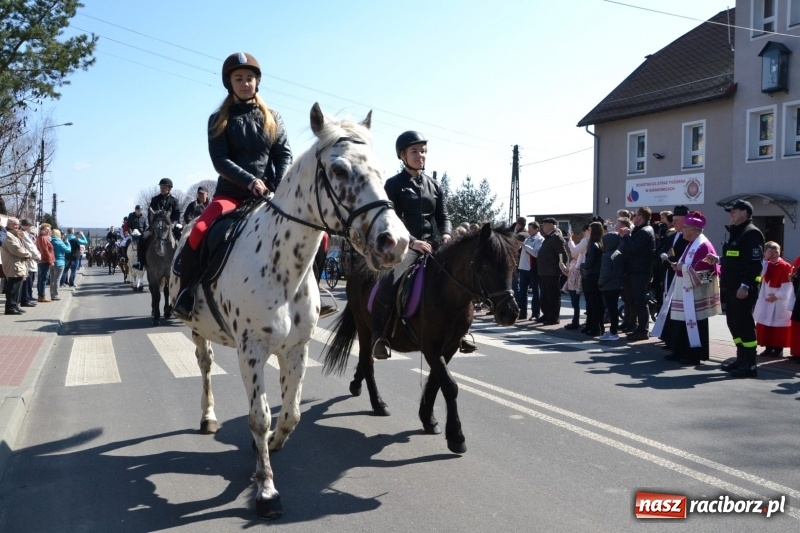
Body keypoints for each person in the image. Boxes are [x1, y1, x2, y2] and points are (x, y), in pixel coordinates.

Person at [174, 52, 293, 320]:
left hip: (270, 195)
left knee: (318, 235)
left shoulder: (273, 117)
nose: (245, 83)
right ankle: (187, 293)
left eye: (250, 78)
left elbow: (283, 154)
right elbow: (220, 160)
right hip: (231, 195)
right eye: (239, 78)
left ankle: (314, 293)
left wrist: (277, 183)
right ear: (230, 83)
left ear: (257, 82)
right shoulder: (218, 119)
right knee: (199, 231)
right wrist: (250, 181)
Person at [371, 130, 453, 359]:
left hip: (433, 246)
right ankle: (379, 335)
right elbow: (390, 219)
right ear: (402, 156)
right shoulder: (393, 185)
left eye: (423, 151)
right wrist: (413, 241)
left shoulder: (435, 185)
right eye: (415, 151)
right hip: (403, 246)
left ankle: (458, 331)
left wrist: (446, 235)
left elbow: (443, 217)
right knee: (389, 282)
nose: (421, 156)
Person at [705, 200, 764, 378]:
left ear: (744, 213)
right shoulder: (737, 233)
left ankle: (750, 364)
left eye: (734, 211)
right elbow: (735, 257)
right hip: (731, 287)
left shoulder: (751, 233)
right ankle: (741, 359)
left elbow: (754, 264)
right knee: (733, 323)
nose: (731, 214)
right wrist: (718, 259)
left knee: (745, 324)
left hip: (742, 288)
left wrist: (745, 285)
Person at [653, 212, 721, 365]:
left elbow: (706, 271)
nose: (682, 230)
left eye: (685, 227)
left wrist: (681, 267)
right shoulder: (692, 243)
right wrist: (680, 266)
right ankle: (679, 350)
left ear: (694, 229)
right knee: (680, 321)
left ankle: (694, 354)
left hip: (695, 292)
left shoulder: (703, 245)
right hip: (684, 288)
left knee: (693, 322)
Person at [655, 205, 689, 353]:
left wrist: (671, 256)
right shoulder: (672, 235)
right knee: (667, 306)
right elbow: (661, 250)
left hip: (681, 276)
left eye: (677, 220)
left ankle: (676, 341)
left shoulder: (688, 237)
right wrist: (666, 257)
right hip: (669, 274)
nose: (674, 223)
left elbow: (683, 255)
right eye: (673, 220)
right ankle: (669, 338)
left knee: (677, 308)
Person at [620, 206, 656, 341]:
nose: (633, 217)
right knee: (635, 300)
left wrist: (626, 236)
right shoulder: (641, 230)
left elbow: (635, 249)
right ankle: (637, 328)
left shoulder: (645, 231)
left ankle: (643, 330)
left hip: (640, 271)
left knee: (640, 301)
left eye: (635, 215)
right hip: (635, 270)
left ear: (641, 217)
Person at [753, 241, 793, 358]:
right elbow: (759, 273)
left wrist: (777, 296)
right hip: (766, 297)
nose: (775, 253)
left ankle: (778, 349)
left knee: (778, 326)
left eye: (776, 251)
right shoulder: (766, 264)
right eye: (771, 251)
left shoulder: (785, 266)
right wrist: (765, 259)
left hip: (779, 300)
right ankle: (768, 347)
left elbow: (788, 286)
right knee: (766, 324)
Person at [132, 178, 181, 271]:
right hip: (156, 226)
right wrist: (152, 225)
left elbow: (176, 215)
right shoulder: (154, 200)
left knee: (182, 237)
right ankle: (140, 262)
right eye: (161, 186)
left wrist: (173, 224)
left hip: (169, 227)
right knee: (142, 238)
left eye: (164, 187)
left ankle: (181, 260)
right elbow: (150, 213)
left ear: (169, 188)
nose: (162, 188)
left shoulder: (174, 201)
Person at [537, 218, 570, 326]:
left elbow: (562, 255)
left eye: (544, 224)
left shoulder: (556, 237)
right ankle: (546, 314)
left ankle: (553, 317)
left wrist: (560, 266)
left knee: (553, 296)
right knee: (545, 296)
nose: (543, 227)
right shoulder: (548, 238)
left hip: (552, 272)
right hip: (544, 272)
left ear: (551, 225)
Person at [598, 230, 625, 341]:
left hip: (608, 285)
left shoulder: (607, 255)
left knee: (611, 308)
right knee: (614, 308)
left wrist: (600, 283)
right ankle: (613, 331)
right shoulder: (618, 253)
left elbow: (605, 272)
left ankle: (613, 332)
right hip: (617, 284)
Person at [1, 217, 32, 315]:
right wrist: (28, 254)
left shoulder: (14, 234)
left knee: (17, 287)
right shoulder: (8, 235)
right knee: (13, 288)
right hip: (13, 264)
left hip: (18, 263)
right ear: (9, 224)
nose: (17, 226)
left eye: (17, 224)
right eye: (14, 224)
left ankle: (15, 305)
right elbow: (16, 249)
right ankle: (10, 307)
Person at [580, 221, 605, 336]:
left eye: (590, 229)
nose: (588, 231)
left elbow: (589, 263)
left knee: (593, 303)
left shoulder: (594, 245)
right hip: (595, 275)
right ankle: (591, 325)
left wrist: (582, 265)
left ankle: (596, 327)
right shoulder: (599, 243)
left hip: (592, 276)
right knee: (593, 303)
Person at [563, 225, 589, 330]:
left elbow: (574, 250)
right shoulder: (574, 262)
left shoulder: (585, 242)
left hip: (577, 283)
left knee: (577, 303)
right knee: (576, 303)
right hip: (573, 283)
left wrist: (570, 239)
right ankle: (577, 320)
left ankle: (576, 321)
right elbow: (569, 273)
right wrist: (564, 268)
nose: (572, 254)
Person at [517, 221, 543, 321]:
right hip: (523, 268)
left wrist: (524, 245)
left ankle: (535, 313)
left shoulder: (539, 239)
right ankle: (523, 312)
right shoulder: (528, 238)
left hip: (533, 269)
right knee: (523, 292)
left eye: (530, 229)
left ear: (536, 229)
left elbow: (536, 253)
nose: (528, 231)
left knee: (536, 292)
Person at [18, 219, 40, 307]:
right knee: (27, 281)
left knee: (30, 281)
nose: (31, 227)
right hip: (29, 259)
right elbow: (30, 247)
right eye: (29, 225)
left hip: (31, 259)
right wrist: (37, 256)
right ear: (25, 226)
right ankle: (25, 299)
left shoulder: (26, 234)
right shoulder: (23, 234)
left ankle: (27, 298)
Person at [50, 229, 71, 301]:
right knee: (57, 280)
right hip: (60, 262)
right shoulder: (59, 242)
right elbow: (68, 250)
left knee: (52, 279)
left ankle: (51, 294)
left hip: (52, 261)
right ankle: (55, 295)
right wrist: (67, 242)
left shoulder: (50, 241)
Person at [36, 223, 54, 302]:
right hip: (44, 260)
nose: (48, 231)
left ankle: (40, 295)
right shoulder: (42, 238)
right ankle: (42, 296)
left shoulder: (42, 238)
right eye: (46, 230)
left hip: (43, 260)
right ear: (42, 230)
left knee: (41, 278)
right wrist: (50, 261)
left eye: (49, 230)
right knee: (43, 279)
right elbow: (45, 251)